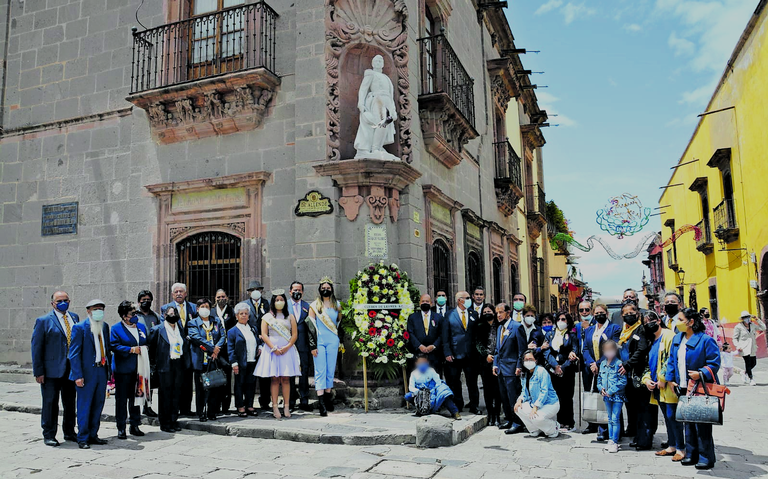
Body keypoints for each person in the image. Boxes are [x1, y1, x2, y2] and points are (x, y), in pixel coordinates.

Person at [666, 308, 721, 470]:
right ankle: (691, 453)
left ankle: (706, 457)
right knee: (687, 422)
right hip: (682, 387)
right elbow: (671, 360)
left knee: (702, 425)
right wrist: (670, 379)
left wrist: (701, 373)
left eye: (681, 320)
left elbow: (714, 362)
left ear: (690, 322)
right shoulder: (677, 338)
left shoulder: (705, 340)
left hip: (699, 388)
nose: (678, 323)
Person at [31, 291, 79, 446]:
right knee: (50, 403)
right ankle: (49, 434)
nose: (63, 303)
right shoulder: (44, 321)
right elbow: (36, 347)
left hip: (71, 369)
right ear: (53, 303)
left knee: (70, 402)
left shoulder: (74, 318)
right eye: (59, 301)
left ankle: (70, 432)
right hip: (51, 370)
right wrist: (39, 371)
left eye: (65, 300)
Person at [642, 311, 685, 461]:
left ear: (658, 320)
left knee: (673, 416)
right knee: (667, 417)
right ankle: (672, 445)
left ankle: (681, 448)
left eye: (651, 321)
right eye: (645, 322)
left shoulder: (668, 336)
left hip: (668, 385)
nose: (648, 324)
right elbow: (648, 363)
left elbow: (671, 359)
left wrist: (663, 378)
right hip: (657, 387)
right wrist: (647, 379)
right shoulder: (652, 340)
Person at [68, 299, 111, 449]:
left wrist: (109, 373)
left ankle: (94, 434)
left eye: (101, 309)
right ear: (88, 311)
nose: (98, 311)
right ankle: (83, 437)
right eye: (95, 309)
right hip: (86, 373)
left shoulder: (105, 327)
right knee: (84, 405)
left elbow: (107, 349)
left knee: (98, 404)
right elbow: (73, 354)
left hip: (101, 370)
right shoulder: (79, 328)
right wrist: (77, 375)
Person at [255, 290, 301, 419]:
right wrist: (273, 347)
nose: (279, 302)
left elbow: (295, 335)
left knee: (286, 379)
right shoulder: (267, 317)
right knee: (275, 379)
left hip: (287, 349)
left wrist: (287, 346)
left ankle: (286, 406)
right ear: (273, 302)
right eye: (276, 300)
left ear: (285, 301)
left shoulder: (290, 316)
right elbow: (264, 334)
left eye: (281, 299)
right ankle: (275, 406)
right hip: (272, 350)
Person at [149, 305, 191, 432]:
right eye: (171, 313)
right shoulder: (157, 330)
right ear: (165, 315)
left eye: (175, 313)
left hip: (178, 364)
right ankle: (165, 422)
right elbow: (152, 350)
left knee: (176, 393)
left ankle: (174, 420)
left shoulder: (180, 329)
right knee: (165, 395)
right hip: (164, 366)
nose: (173, 315)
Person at [582, 303, 621, 441]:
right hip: (591, 368)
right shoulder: (589, 330)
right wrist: (591, 363)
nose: (599, 315)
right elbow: (585, 348)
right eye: (596, 313)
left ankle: (609, 430)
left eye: (601, 312)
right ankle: (595, 425)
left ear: (607, 313)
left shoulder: (614, 328)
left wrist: (599, 364)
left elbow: (613, 347)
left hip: (608, 368)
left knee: (609, 397)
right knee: (595, 397)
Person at [110, 301, 147, 439]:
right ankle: (121, 427)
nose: (135, 315)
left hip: (139, 368)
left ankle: (135, 424)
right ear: (125, 316)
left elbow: (145, 342)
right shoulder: (116, 328)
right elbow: (114, 346)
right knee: (121, 399)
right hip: (123, 369)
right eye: (133, 313)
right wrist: (130, 350)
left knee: (136, 397)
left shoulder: (141, 327)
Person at [617, 301, 651, 449]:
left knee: (640, 408)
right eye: (626, 314)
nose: (629, 316)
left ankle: (642, 438)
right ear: (622, 316)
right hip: (626, 375)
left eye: (632, 313)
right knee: (630, 405)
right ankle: (632, 431)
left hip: (636, 373)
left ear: (637, 314)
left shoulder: (640, 330)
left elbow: (641, 350)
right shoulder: (624, 332)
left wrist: (627, 364)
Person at [307, 278, 342, 416]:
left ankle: (328, 400)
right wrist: (313, 345)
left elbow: (339, 322)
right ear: (320, 290)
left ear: (332, 289)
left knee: (330, 370)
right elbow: (311, 327)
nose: (325, 289)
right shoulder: (314, 306)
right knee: (320, 370)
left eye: (328, 287)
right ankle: (321, 403)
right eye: (323, 287)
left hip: (332, 340)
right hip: (319, 341)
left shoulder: (337, 305)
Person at [161, 283, 196, 417]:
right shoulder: (165, 308)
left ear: (186, 293)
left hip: (189, 349)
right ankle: (173, 409)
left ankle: (186, 409)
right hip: (173, 351)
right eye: (176, 292)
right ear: (172, 294)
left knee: (187, 380)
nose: (179, 294)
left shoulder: (193, 307)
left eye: (181, 291)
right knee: (175, 381)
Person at [188, 298, 226, 422]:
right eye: (202, 306)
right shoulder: (193, 323)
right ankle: (201, 412)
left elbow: (222, 336)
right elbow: (196, 337)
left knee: (214, 387)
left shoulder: (216, 321)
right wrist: (212, 348)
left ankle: (212, 412)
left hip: (213, 360)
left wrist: (217, 349)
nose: (205, 309)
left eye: (207, 307)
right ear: (198, 309)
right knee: (200, 389)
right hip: (200, 360)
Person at [442, 291, 480, 414]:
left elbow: (477, 334)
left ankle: (474, 405)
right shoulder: (449, 315)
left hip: (470, 354)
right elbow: (445, 335)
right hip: (454, 354)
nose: (470, 300)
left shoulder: (473, 314)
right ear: (459, 300)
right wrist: (447, 352)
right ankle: (458, 404)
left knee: (472, 382)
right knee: (454, 381)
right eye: (467, 298)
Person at [354, 54, 398, 160]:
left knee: (385, 123)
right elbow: (363, 89)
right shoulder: (370, 73)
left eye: (381, 61)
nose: (379, 62)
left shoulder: (387, 78)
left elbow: (391, 96)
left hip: (387, 100)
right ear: (373, 63)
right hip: (377, 99)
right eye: (377, 61)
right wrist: (361, 103)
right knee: (382, 122)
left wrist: (393, 109)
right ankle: (375, 149)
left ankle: (378, 146)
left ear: (383, 64)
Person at [543, 311, 579, 431]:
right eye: (559, 319)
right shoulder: (550, 334)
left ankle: (568, 422)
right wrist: (555, 366)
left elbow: (575, 351)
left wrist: (563, 367)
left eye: (563, 319)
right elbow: (547, 352)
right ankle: (557, 421)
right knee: (555, 396)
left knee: (567, 397)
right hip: (553, 370)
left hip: (567, 370)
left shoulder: (571, 335)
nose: (561, 322)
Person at [514, 350, 560, 439]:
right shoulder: (525, 374)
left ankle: (553, 428)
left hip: (549, 403)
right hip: (534, 403)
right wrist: (519, 400)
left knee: (536, 417)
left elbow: (544, 391)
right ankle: (534, 429)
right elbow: (524, 392)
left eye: (530, 359)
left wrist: (536, 407)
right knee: (518, 408)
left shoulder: (541, 371)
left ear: (536, 360)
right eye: (526, 360)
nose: (528, 362)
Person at [493, 303, 524, 434]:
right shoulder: (500, 328)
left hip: (512, 369)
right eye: (497, 313)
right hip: (501, 369)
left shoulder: (517, 327)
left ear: (508, 312)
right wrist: (495, 364)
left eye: (501, 312)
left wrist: (519, 366)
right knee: (504, 396)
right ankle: (509, 419)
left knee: (513, 397)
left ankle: (518, 422)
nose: (498, 315)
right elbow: (497, 350)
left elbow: (522, 350)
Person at [228, 302, 260, 417]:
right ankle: (240, 406)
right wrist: (234, 363)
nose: (244, 316)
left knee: (251, 384)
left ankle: (250, 405)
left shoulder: (253, 328)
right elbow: (230, 349)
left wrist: (260, 347)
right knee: (239, 385)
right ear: (236, 316)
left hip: (252, 361)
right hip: (240, 362)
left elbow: (257, 340)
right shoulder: (232, 331)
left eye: (246, 313)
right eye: (241, 314)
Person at [405, 354, 460, 419]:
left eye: (424, 362)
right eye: (420, 362)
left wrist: (433, 391)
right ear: (416, 363)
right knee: (408, 396)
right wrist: (420, 392)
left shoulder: (431, 370)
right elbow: (411, 387)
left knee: (444, 394)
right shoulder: (414, 373)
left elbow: (438, 382)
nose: (422, 364)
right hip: (420, 392)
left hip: (433, 390)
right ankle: (421, 409)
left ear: (427, 362)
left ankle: (455, 412)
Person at [246, 280, 271, 410]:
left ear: (261, 291)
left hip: (265, 343)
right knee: (250, 375)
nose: (255, 291)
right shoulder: (244, 305)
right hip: (250, 343)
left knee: (265, 375)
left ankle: (265, 401)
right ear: (249, 292)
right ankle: (248, 403)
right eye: (252, 289)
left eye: (258, 289)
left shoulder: (267, 304)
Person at [597, 340, 627, 453]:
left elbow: (623, 381)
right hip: (607, 396)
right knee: (609, 419)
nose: (609, 352)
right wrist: (601, 389)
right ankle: (610, 439)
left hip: (617, 396)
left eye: (611, 350)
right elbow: (599, 379)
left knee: (615, 418)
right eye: (606, 350)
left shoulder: (619, 363)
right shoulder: (603, 364)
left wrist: (611, 390)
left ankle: (615, 441)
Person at [288, 281, 313, 411]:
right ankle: (291, 400)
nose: (297, 292)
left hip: (303, 344)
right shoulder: (284, 306)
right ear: (290, 292)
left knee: (304, 372)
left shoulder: (307, 306)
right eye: (295, 290)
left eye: (299, 290)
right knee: (290, 373)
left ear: (302, 292)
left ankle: (304, 400)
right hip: (289, 345)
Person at [135, 290, 160, 418]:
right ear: (139, 301)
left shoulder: (155, 316)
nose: (146, 302)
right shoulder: (134, 315)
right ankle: (135, 408)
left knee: (149, 381)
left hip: (151, 352)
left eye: (148, 299)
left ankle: (147, 406)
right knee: (137, 380)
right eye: (143, 299)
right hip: (137, 352)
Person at [475, 303, 501, 426]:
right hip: (485, 362)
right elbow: (478, 343)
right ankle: (490, 414)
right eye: (484, 312)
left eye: (489, 311)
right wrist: (486, 355)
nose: (487, 314)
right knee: (488, 389)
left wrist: (496, 356)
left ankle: (497, 415)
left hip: (499, 360)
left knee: (498, 389)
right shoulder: (479, 325)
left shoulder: (500, 325)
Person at [407, 294, 443, 374]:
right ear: (419, 303)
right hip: (418, 353)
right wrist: (419, 346)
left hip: (434, 354)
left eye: (427, 301)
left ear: (431, 303)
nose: (425, 303)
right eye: (423, 301)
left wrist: (433, 346)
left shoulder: (438, 317)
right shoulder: (413, 317)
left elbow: (441, 334)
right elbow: (410, 333)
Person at [213, 289, 235, 414]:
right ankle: (215, 406)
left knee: (226, 378)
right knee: (216, 378)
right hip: (215, 349)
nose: (220, 298)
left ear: (226, 297)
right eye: (218, 297)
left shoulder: (231, 311)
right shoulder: (211, 312)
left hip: (227, 349)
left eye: (223, 296)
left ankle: (225, 406)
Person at [733, 311, 765, 386]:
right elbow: (735, 338)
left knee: (754, 363)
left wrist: (757, 320)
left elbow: (763, 327)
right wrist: (738, 346)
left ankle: (744, 372)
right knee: (748, 363)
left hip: (752, 347)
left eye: (748, 317)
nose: (747, 319)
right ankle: (751, 378)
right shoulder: (738, 327)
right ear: (742, 319)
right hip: (743, 347)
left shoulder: (753, 325)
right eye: (745, 317)